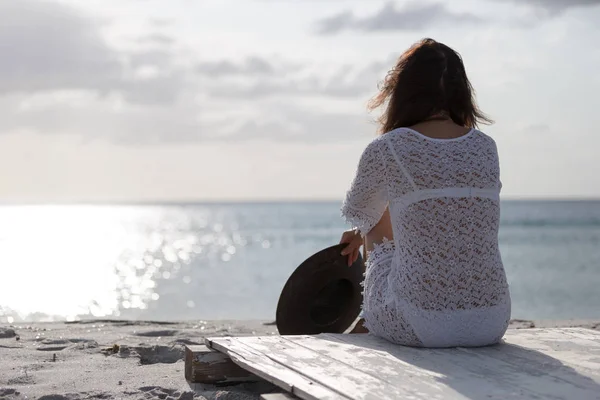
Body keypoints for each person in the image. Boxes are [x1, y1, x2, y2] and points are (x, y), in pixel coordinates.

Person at [339, 38, 511, 348]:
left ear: (403, 92)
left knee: (376, 219)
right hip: (492, 321)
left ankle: (369, 319)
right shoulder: (487, 147)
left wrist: (360, 229)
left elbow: (363, 210)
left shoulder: (388, 147)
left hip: (419, 325)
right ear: (462, 94)